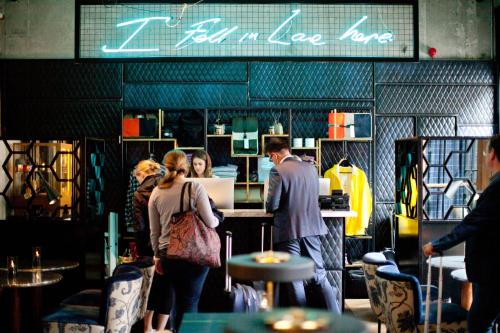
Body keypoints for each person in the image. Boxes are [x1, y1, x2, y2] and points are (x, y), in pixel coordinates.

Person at [423, 134, 500, 333]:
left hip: (493, 272)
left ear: (493, 154)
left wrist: (437, 245)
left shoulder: (497, 188)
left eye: (487, 152)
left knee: (479, 323)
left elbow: (471, 224)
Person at [265, 139, 340, 313]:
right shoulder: (311, 168)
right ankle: (336, 318)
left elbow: (272, 206)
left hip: (289, 229)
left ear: (274, 155)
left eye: (270, 158)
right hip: (312, 228)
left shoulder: (278, 170)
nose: (272, 161)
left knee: (295, 277)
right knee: (319, 275)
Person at [149, 150, 219, 331]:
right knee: (190, 301)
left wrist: (157, 257)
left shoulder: (156, 192)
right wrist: (218, 219)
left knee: (177, 300)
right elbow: (211, 222)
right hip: (193, 253)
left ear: (165, 167)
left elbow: (154, 232)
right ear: (186, 168)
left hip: (168, 254)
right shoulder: (194, 188)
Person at [132, 160, 172, 333]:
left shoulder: (139, 193)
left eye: (136, 178)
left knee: (151, 288)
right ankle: (161, 329)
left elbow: (140, 227)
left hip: (150, 246)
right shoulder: (168, 185)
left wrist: (140, 251)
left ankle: (147, 327)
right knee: (167, 287)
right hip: (173, 244)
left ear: (141, 174)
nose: (137, 181)